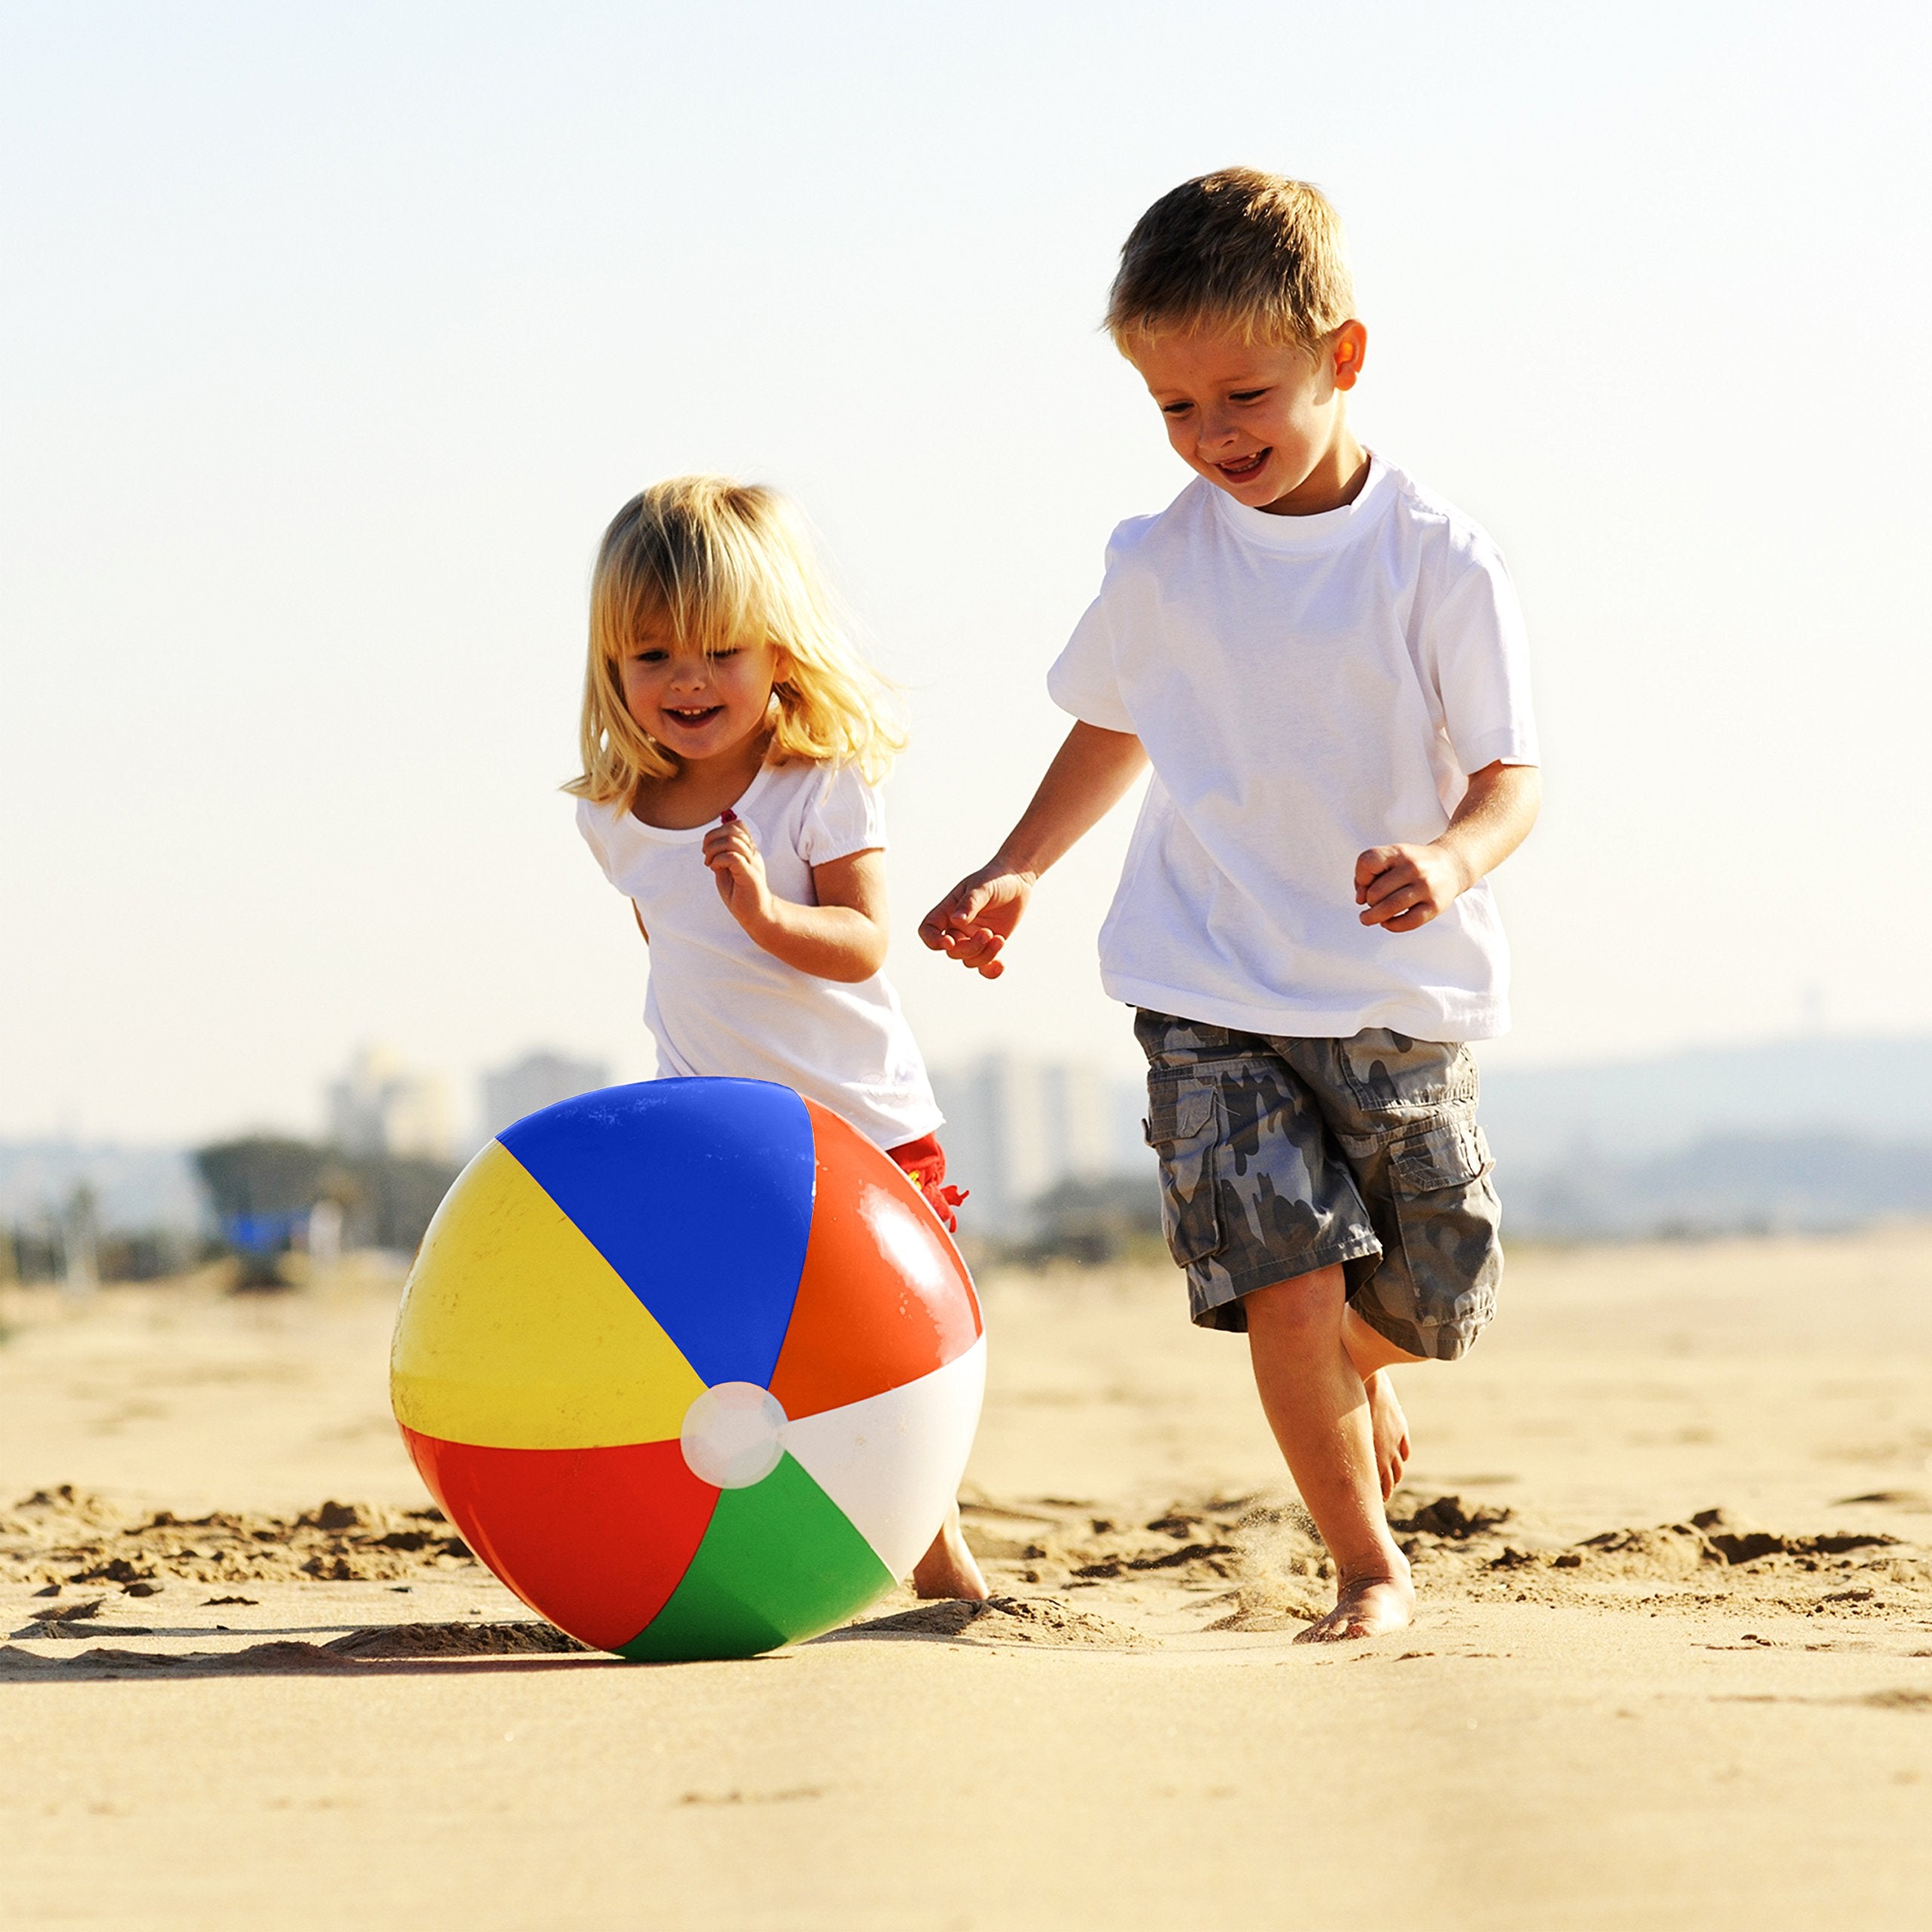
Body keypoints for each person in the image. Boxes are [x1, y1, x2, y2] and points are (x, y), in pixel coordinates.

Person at [920, 170, 1540, 1641]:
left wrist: (1447, 858)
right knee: (1283, 1274)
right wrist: (1017, 862)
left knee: (1442, 1280)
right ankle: (1362, 1562)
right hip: (1203, 977)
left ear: (1342, 354)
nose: (1212, 438)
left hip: (1392, 986)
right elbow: (1114, 720)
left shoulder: (1433, 560)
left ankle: (1351, 1357)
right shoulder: (1160, 559)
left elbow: (1512, 776)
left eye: (1243, 394)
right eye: (1173, 410)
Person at [568, 474, 984, 1601]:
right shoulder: (612, 818)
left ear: (780, 653)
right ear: (614, 668)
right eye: (652, 656)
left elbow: (861, 941)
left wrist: (764, 913)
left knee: (895, 1348)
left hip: (864, 1125)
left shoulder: (815, 784)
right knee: (738, 1355)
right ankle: (738, 1540)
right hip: (721, 1137)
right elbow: (675, 963)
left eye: (720, 651)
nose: (687, 681)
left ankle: (935, 1547)